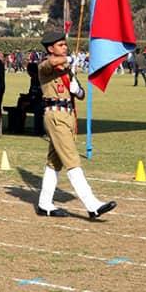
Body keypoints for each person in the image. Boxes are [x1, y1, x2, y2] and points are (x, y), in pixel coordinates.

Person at [35, 31, 116, 219]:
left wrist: (77, 89)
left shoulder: (67, 69)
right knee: (72, 159)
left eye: (65, 44)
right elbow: (52, 62)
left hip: (68, 115)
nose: (64, 47)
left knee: (53, 162)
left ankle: (44, 203)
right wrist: (70, 58)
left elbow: (81, 95)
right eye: (60, 45)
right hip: (55, 115)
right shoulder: (45, 67)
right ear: (50, 48)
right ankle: (91, 204)